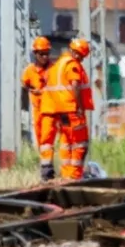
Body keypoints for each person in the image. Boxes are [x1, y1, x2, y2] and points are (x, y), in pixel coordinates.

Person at [40, 38, 94, 180]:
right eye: (82, 57)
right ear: (77, 54)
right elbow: (75, 84)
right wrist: (80, 107)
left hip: (61, 111)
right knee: (80, 143)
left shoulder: (57, 65)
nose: (81, 60)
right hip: (72, 109)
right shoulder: (72, 64)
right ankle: (75, 175)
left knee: (67, 141)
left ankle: (66, 175)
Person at [22, 37, 55, 181]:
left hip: (50, 111)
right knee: (42, 141)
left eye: (46, 53)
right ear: (35, 54)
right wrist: (28, 97)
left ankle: (47, 171)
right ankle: (46, 169)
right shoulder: (29, 71)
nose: (45, 57)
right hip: (37, 112)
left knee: (47, 139)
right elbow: (24, 85)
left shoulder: (53, 70)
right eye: (41, 54)